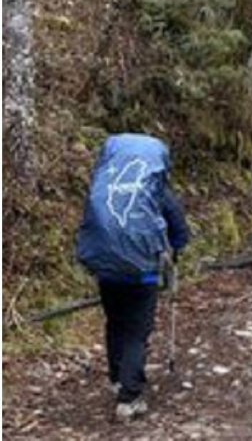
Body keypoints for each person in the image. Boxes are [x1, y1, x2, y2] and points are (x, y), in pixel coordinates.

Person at [76, 133, 190, 421]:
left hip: (107, 268)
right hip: (142, 271)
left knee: (115, 323)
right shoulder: (153, 185)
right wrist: (177, 246)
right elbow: (177, 223)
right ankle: (130, 397)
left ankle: (117, 379)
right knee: (137, 331)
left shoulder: (105, 180)